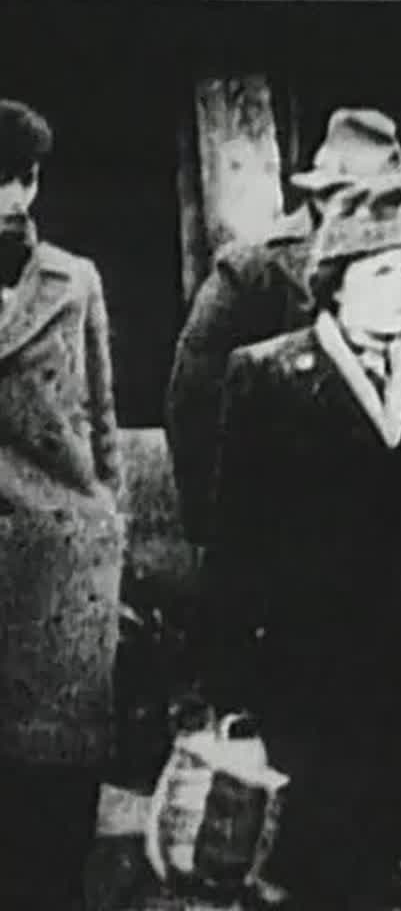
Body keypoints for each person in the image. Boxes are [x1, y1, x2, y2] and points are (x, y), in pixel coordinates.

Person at [200, 178, 401, 910]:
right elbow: (235, 538)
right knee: (319, 865)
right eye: (381, 273)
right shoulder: (268, 376)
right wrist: (229, 687)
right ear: (335, 284)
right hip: (313, 669)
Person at [166, 107, 401, 546]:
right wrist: (225, 534)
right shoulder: (253, 273)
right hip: (291, 531)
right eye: (360, 200)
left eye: (392, 200)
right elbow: (194, 407)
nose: (376, 217)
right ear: (321, 198)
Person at [0, 99, 125, 911]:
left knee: (56, 789)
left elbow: (102, 419)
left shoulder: (73, 281)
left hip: (61, 563)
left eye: (19, 178)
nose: (9, 197)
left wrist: (109, 527)